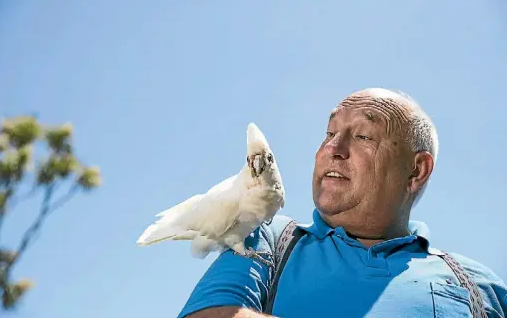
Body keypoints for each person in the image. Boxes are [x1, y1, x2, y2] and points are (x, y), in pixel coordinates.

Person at [177, 88, 507, 318]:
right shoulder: (271, 239)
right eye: (329, 132)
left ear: (416, 170)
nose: (333, 149)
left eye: (363, 136)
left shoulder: (479, 284)